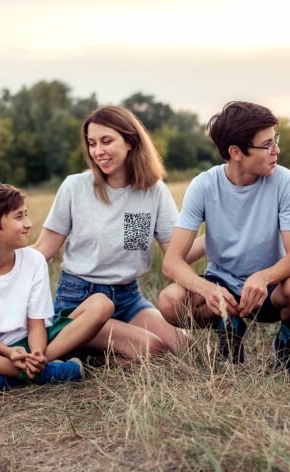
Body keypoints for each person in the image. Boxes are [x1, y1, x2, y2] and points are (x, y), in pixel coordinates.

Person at [158, 101, 290, 378]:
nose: (276, 151)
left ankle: (285, 344)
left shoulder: (284, 181)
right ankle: (227, 328)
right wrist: (207, 289)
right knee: (169, 301)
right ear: (236, 152)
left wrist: (263, 278)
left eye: (275, 141)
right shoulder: (204, 185)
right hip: (221, 286)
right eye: (267, 144)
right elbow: (171, 262)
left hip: (268, 287)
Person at [34, 105, 195, 359]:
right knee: (152, 350)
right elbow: (42, 249)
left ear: (130, 141)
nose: (98, 151)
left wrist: (218, 237)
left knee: (185, 347)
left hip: (128, 298)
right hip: (80, 300)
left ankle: (90, 351)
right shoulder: (75, 187)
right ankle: (71, 341)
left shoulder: (153, 191)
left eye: (106, 141)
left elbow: (176, 253)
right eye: (92, 143)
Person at [0, 181, 114, 391]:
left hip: (39, 344)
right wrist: (9, 353)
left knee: (101, 304)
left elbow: (36, 324)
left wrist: (37, 354)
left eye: (26, 214)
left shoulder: (34, 260)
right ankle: (40, 372)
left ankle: (27, 370)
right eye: (18, 216)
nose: (29, 223)